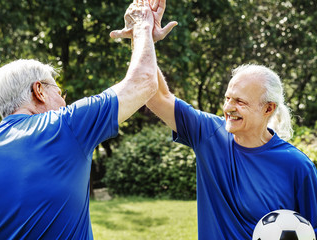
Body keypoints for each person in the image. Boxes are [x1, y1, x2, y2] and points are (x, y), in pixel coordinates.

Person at [111, 1, 317, 239]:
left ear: (268, 108)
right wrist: (142, 32)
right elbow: (156, 97)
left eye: (240, 101)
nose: (229, 107)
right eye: (228, 98)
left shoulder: (297, 166)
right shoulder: (209, 133)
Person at [0, 0, 157, 239]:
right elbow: (144, 81)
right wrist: (142, 26)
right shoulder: (64, 126)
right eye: (59, 92)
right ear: (39, 91)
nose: (64, 102)